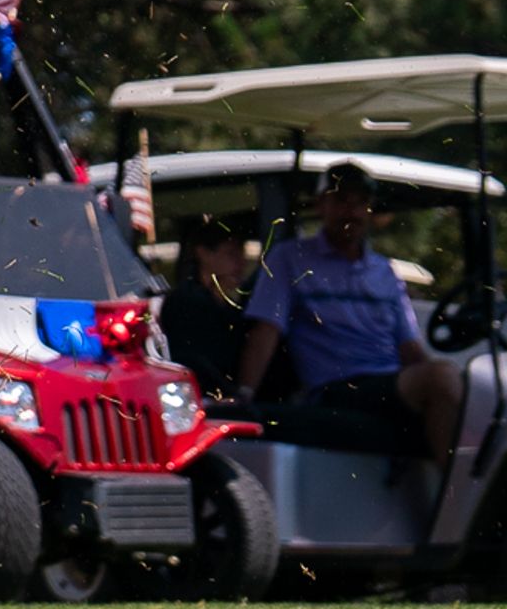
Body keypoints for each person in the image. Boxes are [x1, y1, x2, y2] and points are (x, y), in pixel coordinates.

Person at [237, 166, 460, 456]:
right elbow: (266, 330)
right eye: (341, 201)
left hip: (388, 384)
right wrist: (244, 394)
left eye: (360, 203)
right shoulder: (290, 258)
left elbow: (410, 348)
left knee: (468, 386)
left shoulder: (385, 272)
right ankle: (461, 497)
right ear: (321, 205)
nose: (351, 212)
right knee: (441, 378)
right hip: (335, 389)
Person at [156, 215, 261, 395]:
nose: (241, 262)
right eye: (231, 253)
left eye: (241, 253)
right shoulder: (187, 303)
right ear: (203, 253)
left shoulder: (227, 306)